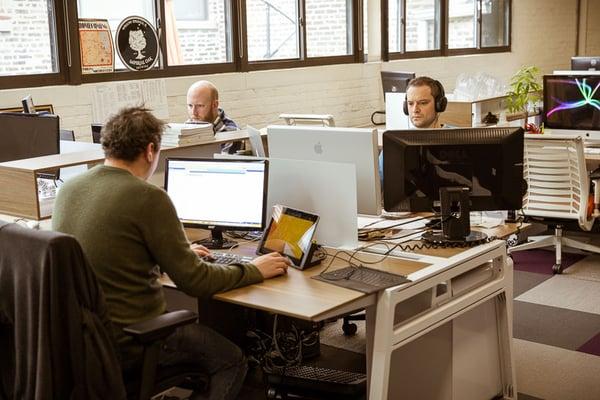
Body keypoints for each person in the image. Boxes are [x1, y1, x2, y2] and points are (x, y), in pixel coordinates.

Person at [52, 106, 291, 400]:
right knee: (231, 359)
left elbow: (113, 252)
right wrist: (255, 269)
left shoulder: (70, 189)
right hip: (135, 341)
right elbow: (195, 282)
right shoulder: (148, 197)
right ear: (151, 150)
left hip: (84, 342)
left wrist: (176, 252)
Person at [379, 76, 448, 181]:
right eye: (410, 104)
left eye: (423, 103)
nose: (415, 109)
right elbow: (380, 184)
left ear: (439, 105)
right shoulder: (395, 143)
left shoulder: (462, 137)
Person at [186, 80, 242, 154]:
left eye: (200, 106)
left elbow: (221, 164)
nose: (194, 113)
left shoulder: (231, 134)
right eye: (190, 105)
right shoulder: (188, 125)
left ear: (215, 105)